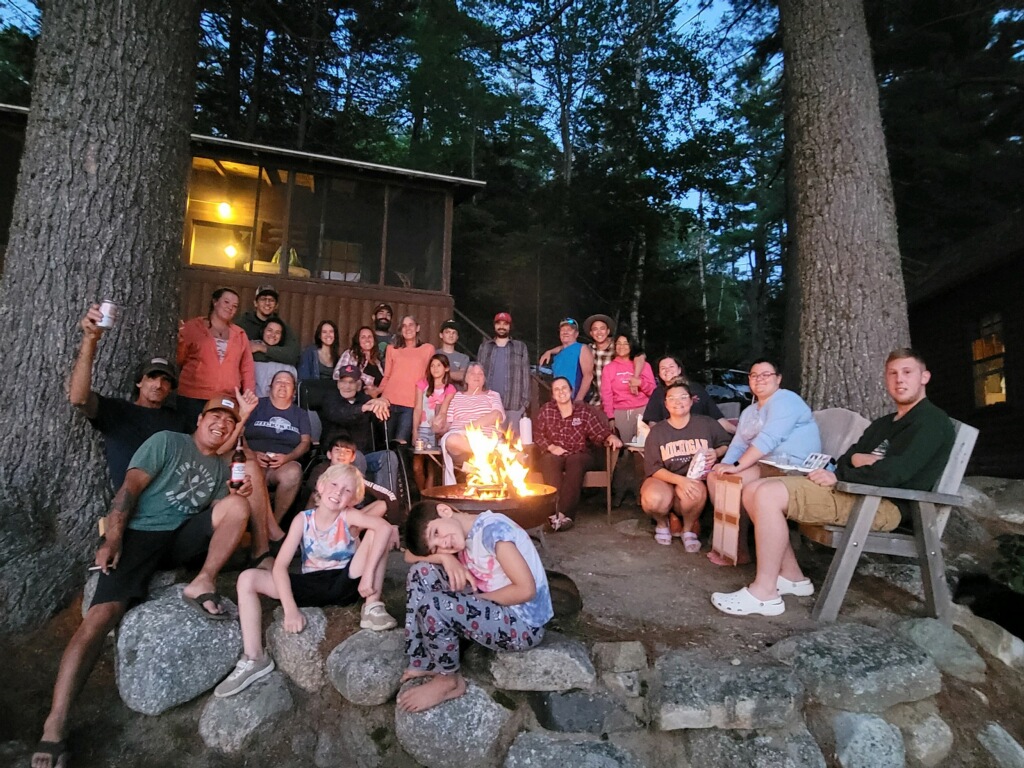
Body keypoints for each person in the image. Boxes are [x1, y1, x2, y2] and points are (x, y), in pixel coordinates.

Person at [31, 396, 268, 768]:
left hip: (180, 541)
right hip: (141, 536)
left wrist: (233, 497)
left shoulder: (223, 468)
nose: (221, 423)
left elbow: (222, 514)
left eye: (229, 419)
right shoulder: (169, 442)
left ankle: (202, 581)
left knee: (238, 506)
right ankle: (55, 722)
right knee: (98, 620)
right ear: (200, 419)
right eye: (215, 416)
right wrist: (112, 538)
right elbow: (130, 488)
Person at [711, 349, 955, 617]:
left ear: (924, 377)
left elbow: (897, 472)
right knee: (752, 490)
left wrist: (844, 473)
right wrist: (862, 462)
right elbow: (850, 456)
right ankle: (792, 577)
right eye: (893, 373)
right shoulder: (886, 423)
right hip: (858, 491)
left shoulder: (931, 421)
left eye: (907, 372)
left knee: (767, 494)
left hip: (883, 504)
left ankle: (765, 594)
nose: (899, 380)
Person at [214, 464, 398, 698]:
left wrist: (369, 574)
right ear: (321, 486)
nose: (338, 493)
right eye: (334, 485)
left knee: (379, 532)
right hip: (311, 583)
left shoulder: (349, 516)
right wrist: (290, 610)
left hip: (346, 580)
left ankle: (372, 606)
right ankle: (254, 657)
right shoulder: (303, 520)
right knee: (247, 578)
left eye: (347, 491)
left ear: (353, 499)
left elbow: (382, 526)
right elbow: (280, 566)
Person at [397, 500, 552, 713]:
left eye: (436, 533)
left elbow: (526, 590)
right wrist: (445, 559)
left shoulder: (491, 532)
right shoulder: (462, 534)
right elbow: (409, 555)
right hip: (494, 607)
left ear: (445, 511)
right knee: (422, 572)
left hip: (522, 624)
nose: (444, 544)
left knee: (436, 604)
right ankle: (424, 660)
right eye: (436, 546)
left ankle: (448, 681)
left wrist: (474, 602)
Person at [706, 358, 821, 565]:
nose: (759, 379)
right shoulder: (750, 411)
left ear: (778, 379)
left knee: (735, 481)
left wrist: (735, 467)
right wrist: (725, 465)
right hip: (764, 465)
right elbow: (739, 444)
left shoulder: (786, 399)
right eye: (754, 375)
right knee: (716, 478)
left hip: (791, 467)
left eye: (766, 374)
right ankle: (729, 544)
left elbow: (768, 439)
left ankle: (739, 549)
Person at [71, 304, 191, 489]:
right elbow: (79, 398)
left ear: (170, 389)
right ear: (139, 382)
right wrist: (90, 340)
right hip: (130, 499)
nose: (158, 385)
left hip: (169, 498)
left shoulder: (177, 420)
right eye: (152, 377)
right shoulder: (117, 411)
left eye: (166, 381)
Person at [642, 380, 731, 551]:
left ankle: (688, 529)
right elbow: (653, 468)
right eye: (672, 398)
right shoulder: (658, 431)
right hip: (665, 479)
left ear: (692, 401)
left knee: (695, 492)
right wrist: (680, 481)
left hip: (694, 480)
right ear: (666, 404)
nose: (678, 402)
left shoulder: (706, 423)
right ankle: (662, 523)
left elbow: (727, 443)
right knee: (653, 498)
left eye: (683, 397)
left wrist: (717, 452)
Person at [535, 377, 623, 531]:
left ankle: (562, 514)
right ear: (553, 395)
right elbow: (537, 434)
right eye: (557, 389)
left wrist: (610, 436)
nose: (561, 392)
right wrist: (550, 447)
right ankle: (555, 512)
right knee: (549, 460)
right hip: (555, 453)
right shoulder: (547, 411)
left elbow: (598, 431)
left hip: (580, 454)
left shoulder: (583, 412)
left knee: (575, 461)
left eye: (564, 388)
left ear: (571, 391)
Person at [177, 287, 256, 423]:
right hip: (193, 395)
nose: (230, 307)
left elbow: (247, 368)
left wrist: (248, 394)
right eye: (226, 302)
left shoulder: (240, 334)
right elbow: (179, 358)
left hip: (226, 397)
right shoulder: (193, 327)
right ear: (215, 302)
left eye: (235, 306)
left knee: (219, 437)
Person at [245, 370, 311, 528]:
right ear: (270, 387)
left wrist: (287, 458)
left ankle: (274, 524)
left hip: (282, 464)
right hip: (255, 461)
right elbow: (239, 433)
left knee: (293, 472)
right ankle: (259, 527)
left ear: (294, 392)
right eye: (279, 381)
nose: (283, 385)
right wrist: (251, 454)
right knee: (253, 470)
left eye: (288, 383)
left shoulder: (300, 414)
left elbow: (306, 442)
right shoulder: (256, 405)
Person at [320, 364, 400, 492]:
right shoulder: (330, 398)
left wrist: (383, 403)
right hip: (339, 456)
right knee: (358, 456)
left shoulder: (365, 399)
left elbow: (381, 421)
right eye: (343, 381)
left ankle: (385, 501)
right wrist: (364, 408)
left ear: (358, 385)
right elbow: (340, 413)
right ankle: (357, 505)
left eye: (351, 382)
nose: (347, 386)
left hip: (366, 455)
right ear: (338, 384)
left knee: (389, 456)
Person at [306, 435, 400, 524]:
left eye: (347, 451)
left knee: (382, 505)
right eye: (337, 450)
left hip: (344, 520)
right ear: (329, 454)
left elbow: (388, 495)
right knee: (315, 495)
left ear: (353, 457)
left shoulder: (353, 476)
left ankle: (348, 532)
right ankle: (309, 531)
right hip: (320, 517)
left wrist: (394, 524)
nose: (342, 454)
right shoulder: (321, 469)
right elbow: (313, 490)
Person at [439, 363, 505, 484]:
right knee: (451, 439)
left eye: (480, 373)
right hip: (462, 443)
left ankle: (478, 465)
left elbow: (497, 415)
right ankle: (487, 457)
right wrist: (437, 426)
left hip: (487, 438)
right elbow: (447, 425)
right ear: (465, 378)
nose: (476, 376)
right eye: (472, 373)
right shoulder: (456, 397)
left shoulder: (493, 395)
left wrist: (470, 428)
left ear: (484, 379)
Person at [379, 315, 436, 443]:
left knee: (401, 443)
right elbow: (387, 375)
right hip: (388, 402)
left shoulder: (427, 349)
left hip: (411, 404)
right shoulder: (392, 349)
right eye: (404, 326)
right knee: (385, 444)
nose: (407, 328)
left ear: (417, 328)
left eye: (411, 325)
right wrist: (377, 394)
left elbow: (430, 376)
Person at [642, 355, 730, 432]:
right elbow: (653, 422)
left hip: (700, 435)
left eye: (671, 366)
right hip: (670, 438)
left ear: (679, 369)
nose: (667, 370)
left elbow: (717, 417)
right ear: (659, 374)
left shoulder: (696, 388)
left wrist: (737, 432)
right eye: (663, 368)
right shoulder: (658, 393)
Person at [477, 312, 530, 432]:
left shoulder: (520, 347)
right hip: (488, 406)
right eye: (498, 323)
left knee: (513, 447)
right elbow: (477, 374)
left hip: (514, 405)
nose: (502, 327)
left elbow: (526, 376)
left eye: (505, 324)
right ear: (494, 326)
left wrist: (524, 404)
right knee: (489, 445)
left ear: (510, 326)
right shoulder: (484, 347)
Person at [412, 354, 456, 489]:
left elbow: (444, 411)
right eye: (432, 365)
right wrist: (414, 431)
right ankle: (421, 493)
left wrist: (439, 428)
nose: (435, 368)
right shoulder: (422, 384)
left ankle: (427, 499)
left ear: (446, 368)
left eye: (439, 365)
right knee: (417, 466)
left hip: (438, 431)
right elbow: (418, 408)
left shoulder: (450, 389)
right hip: (423, 429)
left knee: (432, 468)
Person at [236, 284, 300, 367]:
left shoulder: (281, 326)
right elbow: (236, 351)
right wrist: (277, 355)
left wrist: (262, 348)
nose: (267, 303)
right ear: (255, 303)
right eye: (263, 299)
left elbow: (293, 355)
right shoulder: (242, 323)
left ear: (276, 305)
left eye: (271, 300)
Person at [539, 318, 593, 402]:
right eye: (562, 330)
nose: (565, 332)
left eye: (569, 330)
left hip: (573, 399)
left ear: (576, 334)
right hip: (558, 399)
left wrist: (579, 399)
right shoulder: (557, 354)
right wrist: (549, 351)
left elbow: (588, 376)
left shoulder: (582, 348)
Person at [253, 318, 298, 397]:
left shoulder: (287, 361)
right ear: (262, 331)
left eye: (277, 332)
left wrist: (262, 349)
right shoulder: (251, 345)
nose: (273, 335)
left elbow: (292, 356)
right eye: (269, 330)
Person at [336, 325, 384, 397]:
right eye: (363, 337)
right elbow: (337, 374)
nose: (367, 339)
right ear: (358, 340)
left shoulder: (377, 361)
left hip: (377, 398)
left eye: (370, 337)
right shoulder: (350, 354)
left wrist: (377, 390)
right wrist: (369, 381)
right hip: (356, 398)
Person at [438, 319, 470, 385]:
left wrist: (439, 373)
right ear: (441, 335)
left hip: (457, 394)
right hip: (436, 394)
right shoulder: (434, 354)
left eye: (454, 333)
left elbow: (462, 376)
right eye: (447, 332)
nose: (451, 335)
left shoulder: (463, 358)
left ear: (457, 337)